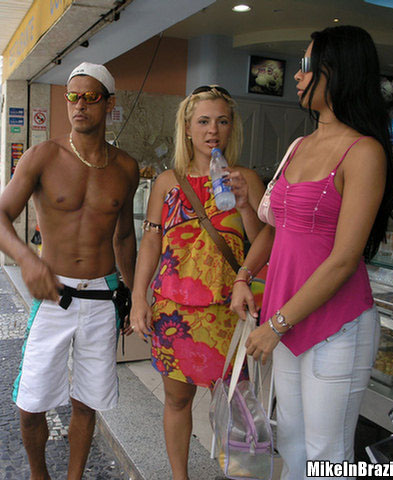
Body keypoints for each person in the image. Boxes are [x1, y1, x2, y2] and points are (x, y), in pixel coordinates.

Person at [230, 25, 393, 479]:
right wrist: (244, 275)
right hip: (286, 321)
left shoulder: (364, 152)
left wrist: (276, 325)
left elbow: (344, 258)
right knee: (291, 440)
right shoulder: (298, 146)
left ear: (337, 71)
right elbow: (274, 228)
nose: (297, 76)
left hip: (335, 326)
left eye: (307, 66)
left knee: (328, 453)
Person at [0, 62, 138, 480]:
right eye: (73, 96)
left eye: (90, 97)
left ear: (109, 104)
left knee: (86, 402)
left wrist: (133, 293)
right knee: (30, 402)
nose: (79, 105)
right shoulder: (43, 156)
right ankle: (40, 476)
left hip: (104, 295)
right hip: (54, 295)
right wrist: (27, 259)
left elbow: (125, 237)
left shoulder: (126, 167)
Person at [129, 85, 265, 480]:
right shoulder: (167, 182)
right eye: (203, 121)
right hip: (174, 311)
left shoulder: (246, 179)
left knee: (236, 403)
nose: (213, 131)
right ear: (187, 128)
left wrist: (244, 204)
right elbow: (151, 241)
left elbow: (264, 240)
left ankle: (241, 473)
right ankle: (180, 476)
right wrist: (139, 297)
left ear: (232, 127)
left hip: (228, 310)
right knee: (176, 400)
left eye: (222, 121)